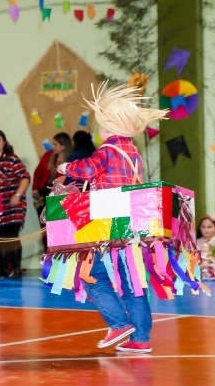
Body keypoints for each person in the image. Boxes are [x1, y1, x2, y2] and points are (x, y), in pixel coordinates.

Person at [56, 81, 168, 354]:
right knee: (132, 281)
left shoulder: (106, 150)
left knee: (91, 274)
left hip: (106, 220)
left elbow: (88, 169)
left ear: (108, 127)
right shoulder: (134, 153)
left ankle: (118, 324)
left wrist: (66, 166)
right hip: (132, 224)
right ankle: (141, 338)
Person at [0, 130, 30, 279]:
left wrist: (17, 195)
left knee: (12, 235)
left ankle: (16, 269)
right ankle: (2, 269)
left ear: (4, 143)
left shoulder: (12, 159)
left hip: (12, 204)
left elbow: (25, 177)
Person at [31, 132, 72, 213]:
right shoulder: (48, 155)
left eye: (55, 144)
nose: (53, 147)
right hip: (43, 192)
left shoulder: (70, 160)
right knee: (43, 216)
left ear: (63, 146)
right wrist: (35, 188)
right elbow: (38, 172)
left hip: (58, 197)